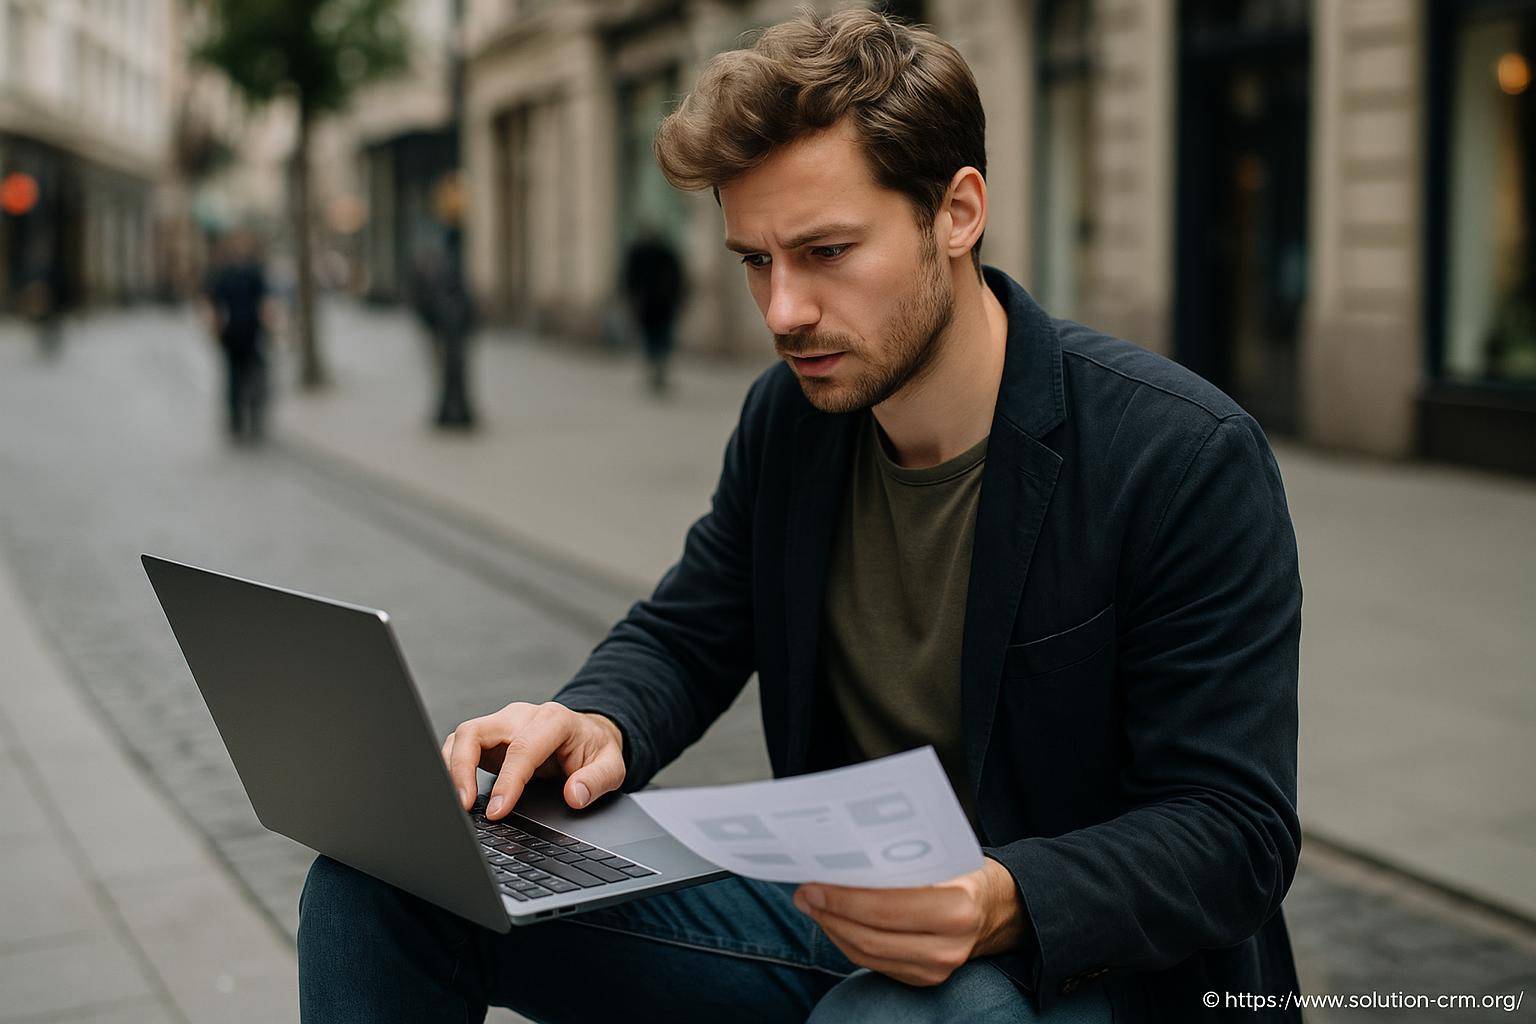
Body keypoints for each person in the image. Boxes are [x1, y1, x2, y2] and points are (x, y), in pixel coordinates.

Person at [297, 9, 1302, 1023]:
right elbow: (692, 625)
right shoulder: (796, 418)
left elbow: (1233, 828)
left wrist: (999, 898)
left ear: (957, 213)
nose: (783, 311)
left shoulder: (1179, 456)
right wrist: (590, 717)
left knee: (901, 1016)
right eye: (756, 260)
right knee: (391, 876)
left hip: (1091, 962)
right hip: (843, 916)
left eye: (825, 251)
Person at [201, 231, 272, 443]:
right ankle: (237, 421)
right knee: (234, 379)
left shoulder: (254, 272)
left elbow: (265, 303)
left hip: (253, 333)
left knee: (254, 378)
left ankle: (254, 419)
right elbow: (213, 304)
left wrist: (270, 326)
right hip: (232, 336)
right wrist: (215, 328)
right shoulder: (224, 275)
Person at [623, 229, 686, 394]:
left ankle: (656, 368)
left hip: (654, 306)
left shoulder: (648, 255)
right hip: (659, 306)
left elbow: (630, 279)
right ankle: (657, 368)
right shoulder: (663, 255)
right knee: (658, 338)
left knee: (654, 338)